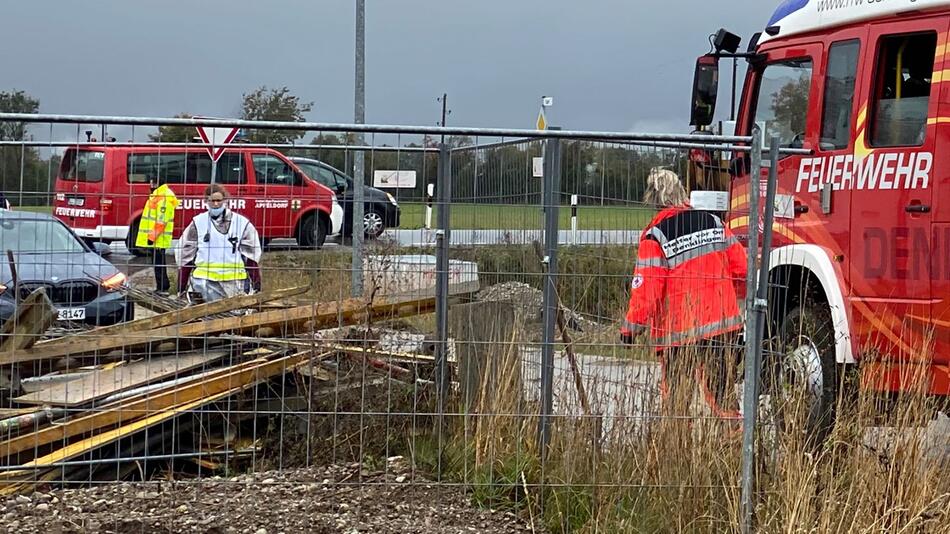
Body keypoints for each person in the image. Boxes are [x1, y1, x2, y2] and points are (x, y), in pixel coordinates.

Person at [620, 168, 748, 419]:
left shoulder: (655, 236)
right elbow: (742, 268)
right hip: (722, 327)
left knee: (677, 401)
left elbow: (648, 291)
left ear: (652, 198)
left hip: (680, 335)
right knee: (723, 395)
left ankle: (677, 448)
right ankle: (736, 447)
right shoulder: (713, 222)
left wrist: (630, 329)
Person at [177, 184, 262, 303]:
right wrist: (181, 287)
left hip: (234, 284)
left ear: (225, 201)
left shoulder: (242, 224)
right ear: (206, 201)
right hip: (203, 284)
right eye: (212, 201)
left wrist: (257, 285)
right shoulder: (198, 223)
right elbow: (186, 258)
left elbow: (251, 259)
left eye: (218, 200)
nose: (215, 204)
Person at [135, 178, 179, 295]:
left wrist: (152, 237)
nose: (150, 185)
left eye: (152, 182)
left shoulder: (164, 196)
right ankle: (162, 287)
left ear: (157, 182)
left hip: (159, 238)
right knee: (157, 263)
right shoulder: (159, 194)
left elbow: (162, 220)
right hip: (158, 237)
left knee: (159, 263)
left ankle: (163, 288)